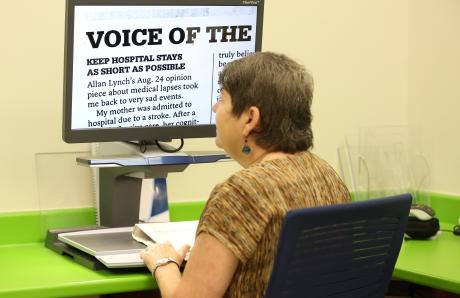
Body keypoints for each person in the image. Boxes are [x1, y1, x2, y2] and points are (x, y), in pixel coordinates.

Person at [140, 52, 351, 297]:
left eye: (221, 99)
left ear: (250, 118)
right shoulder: (326, 176)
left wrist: (163, 264)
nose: (215, 107)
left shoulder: (240, 193)